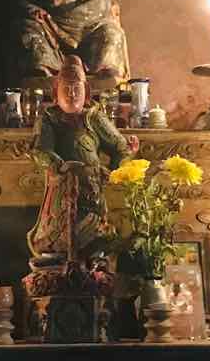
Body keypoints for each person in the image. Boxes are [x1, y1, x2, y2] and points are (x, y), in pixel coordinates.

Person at [27, 56, 137, 260]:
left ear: (86, 92)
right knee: (59, 239)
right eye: (66, 89)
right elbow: (40, 150)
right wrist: (62, 166)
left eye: (76, 89)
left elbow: (120, 147)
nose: (71, 94)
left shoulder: (94, 117)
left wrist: (114, 170)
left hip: (92, 189)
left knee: (95, 240)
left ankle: (91, 269)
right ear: (55, 92)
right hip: (62, 188)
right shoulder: (49, 119)